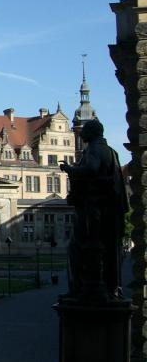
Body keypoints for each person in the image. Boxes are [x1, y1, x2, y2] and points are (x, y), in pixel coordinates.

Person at [60, 118, 129, 298]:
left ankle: (79, 288)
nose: (80, 134)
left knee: (77, 249)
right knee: (108, 250)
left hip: (92, 208)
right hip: (108, 209)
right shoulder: (111, 151)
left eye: (83, 131)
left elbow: (91, 169)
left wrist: (69, 169)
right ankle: (111, 287)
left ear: (91, 132)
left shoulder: (93, 149)